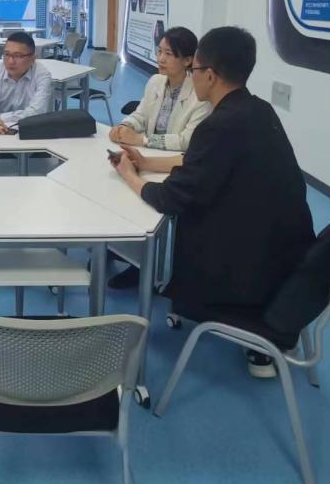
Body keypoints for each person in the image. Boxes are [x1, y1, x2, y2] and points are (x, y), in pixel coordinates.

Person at [110, 26, 315, 378]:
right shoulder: (258, 110)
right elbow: (204, 165)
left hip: (250, 270)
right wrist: (147, 163)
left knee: (163, 221)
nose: (192, 76)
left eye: (194, 69)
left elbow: (171, 198)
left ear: (210, 75)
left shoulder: (219, 125)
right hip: (287, 255)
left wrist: (130, 175)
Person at [106, 26, 211, 288]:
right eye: (159, 51)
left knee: (144, 203)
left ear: (188, 60)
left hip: (173, 163)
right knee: (116, 188)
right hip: (146, 155)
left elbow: (186, 140)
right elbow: (141, 115)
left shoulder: (199, 94)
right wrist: (125, 127)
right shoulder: (155, 81)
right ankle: (117, 248)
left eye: (169, 54)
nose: (161, 58)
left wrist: (142, 140)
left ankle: (141, 267)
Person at [0, 31, 52, 134]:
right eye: (7, 54)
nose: (10, 61)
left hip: (32, 131)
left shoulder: (42, 75)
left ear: (33, 59)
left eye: (18, 56)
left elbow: (37, 112)